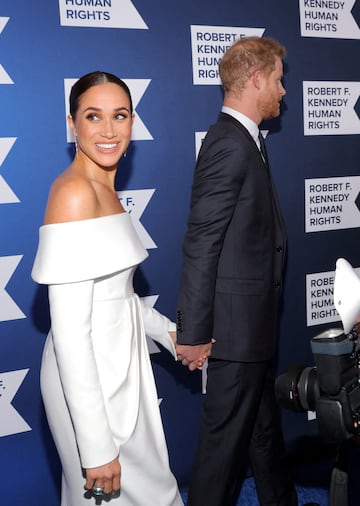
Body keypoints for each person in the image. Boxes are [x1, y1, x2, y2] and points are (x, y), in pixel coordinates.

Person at [31, 71, 183, 506]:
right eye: (93, 116)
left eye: (120, 115)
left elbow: (116, 295)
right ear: (71, 124)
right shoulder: (75, 194)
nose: (109, 130)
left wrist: (169, 334)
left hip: (120, 363)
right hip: (87, 376)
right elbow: (70, 330)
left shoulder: (105, 187)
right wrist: (95, 446)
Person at [176, 37, 298, 506]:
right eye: (279, 80)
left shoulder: (246, 140)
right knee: (220, 455)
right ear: (256, 80)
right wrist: (194, 330)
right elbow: (202, 239)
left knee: (263, 435)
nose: (284, 91)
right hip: (233, 331)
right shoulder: (229, 143)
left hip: (253, 329)